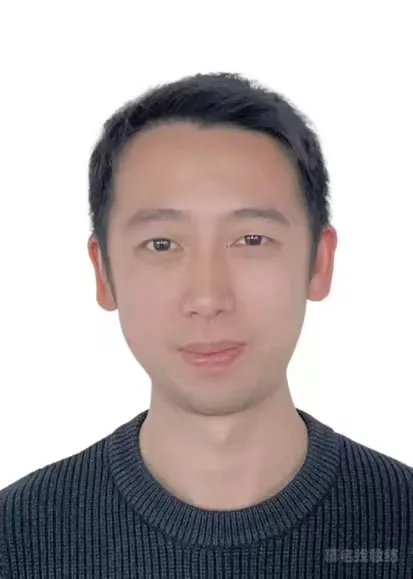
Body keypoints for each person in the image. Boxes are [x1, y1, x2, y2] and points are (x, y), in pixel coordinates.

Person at [1, 72, 412, 577]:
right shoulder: (15, 542)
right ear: (103, 273)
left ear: (319, 263)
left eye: (252, 240)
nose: (208, 298)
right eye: (161, 244)